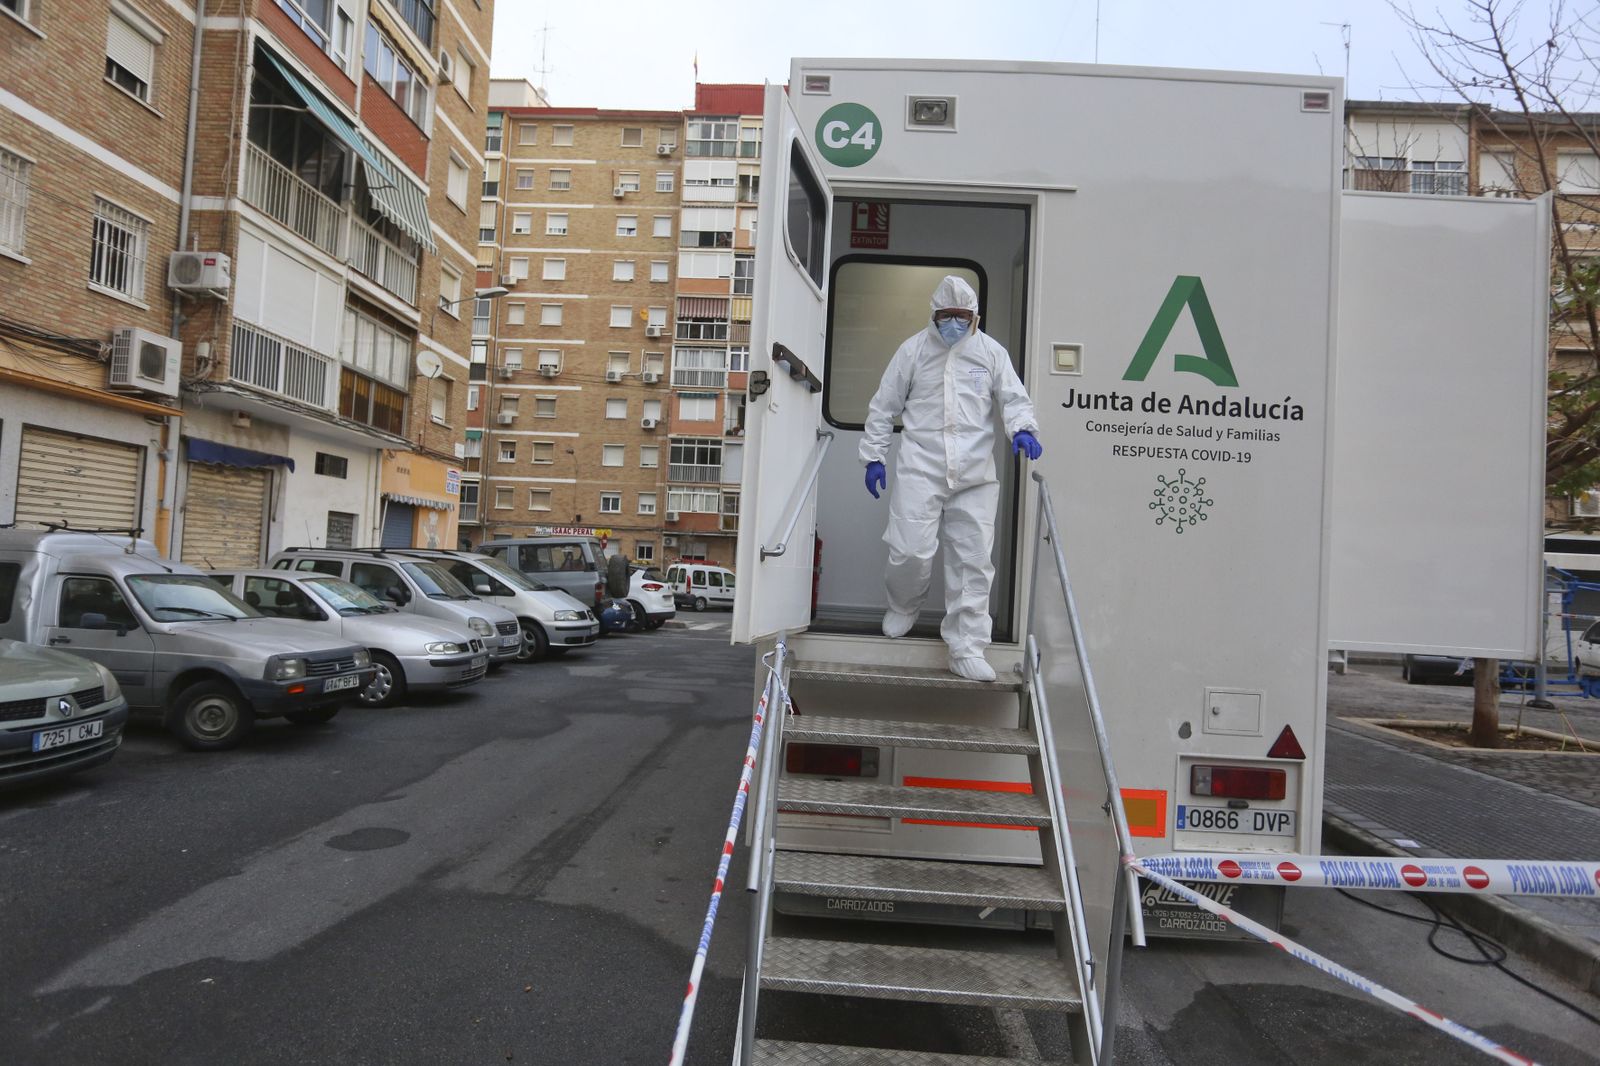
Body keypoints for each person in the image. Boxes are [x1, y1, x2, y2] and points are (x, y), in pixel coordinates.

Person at [860, 275, 1042, 682]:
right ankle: (904, 606)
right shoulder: (912, 351)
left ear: (975, 317)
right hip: (920, 467)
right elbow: (883, 405)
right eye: (947, 316)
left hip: (975, 475)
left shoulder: (990, 353)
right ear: (934, 315)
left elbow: (1013, 398)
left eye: (962, 316)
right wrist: (874, 456)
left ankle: (967, 647)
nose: (954, 323)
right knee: (909, 550)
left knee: (973, 560)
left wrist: (1024, 429)